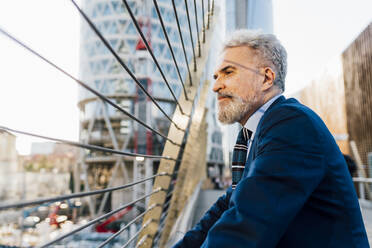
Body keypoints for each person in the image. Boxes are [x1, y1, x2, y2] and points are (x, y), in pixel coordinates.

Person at [173, 30, 368, 247]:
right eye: (216, 76)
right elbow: (230, 204)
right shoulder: (257, 133)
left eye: (228, 72)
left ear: (266, 78)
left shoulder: (292, 124)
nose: (216, 86)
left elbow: (244, 227)